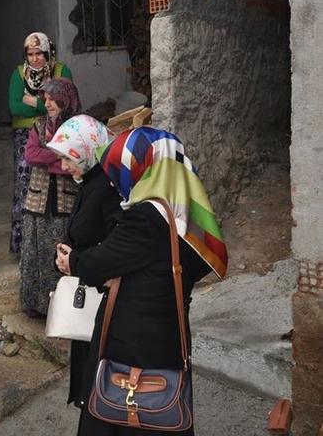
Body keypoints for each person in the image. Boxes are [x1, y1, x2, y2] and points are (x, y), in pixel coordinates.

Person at [55, 127, 229, 436]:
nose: (116, 180)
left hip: (134, 335)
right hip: (168, 329)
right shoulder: (183, 207)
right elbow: (181, 263)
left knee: (129, 408)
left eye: (118, 172)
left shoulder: (147, 215)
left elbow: (104, 259)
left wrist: (74, 262)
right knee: (162, 403)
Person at [45, 115, 122, 409]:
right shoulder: (91, 182)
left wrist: (76, 261)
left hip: (103, 300)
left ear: (89, 151)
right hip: (89, 292)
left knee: (101, 386)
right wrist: (68, 257)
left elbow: (115, 245)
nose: (64, 167)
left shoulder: (107, 188)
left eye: (69, 159)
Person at [20, 77, 81, 318]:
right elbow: (31, 155)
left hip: (64, 202)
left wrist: (53, 159)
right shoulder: (39, 125)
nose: (48, 104)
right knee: (35, 253)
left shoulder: (76, 127)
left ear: (65, 100)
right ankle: (36, 306)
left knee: (58, 254)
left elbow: (72, 164)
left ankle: (60, 310)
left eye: (53, 99)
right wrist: (58, 155)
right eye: (45, 99)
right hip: (38, 201)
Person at [8, 31, 73, 254]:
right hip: (25, 135)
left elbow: (67, 101)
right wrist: (45, 103)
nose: (35, 59)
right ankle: (24, 244)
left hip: (56, 131)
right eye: (30, 54)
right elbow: (14, 108)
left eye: (39, 53)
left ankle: (59, 243)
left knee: (59, 186)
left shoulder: (61, 71)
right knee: (25, 185)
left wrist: (32, 101)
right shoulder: (19, 74)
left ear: (48, 52)